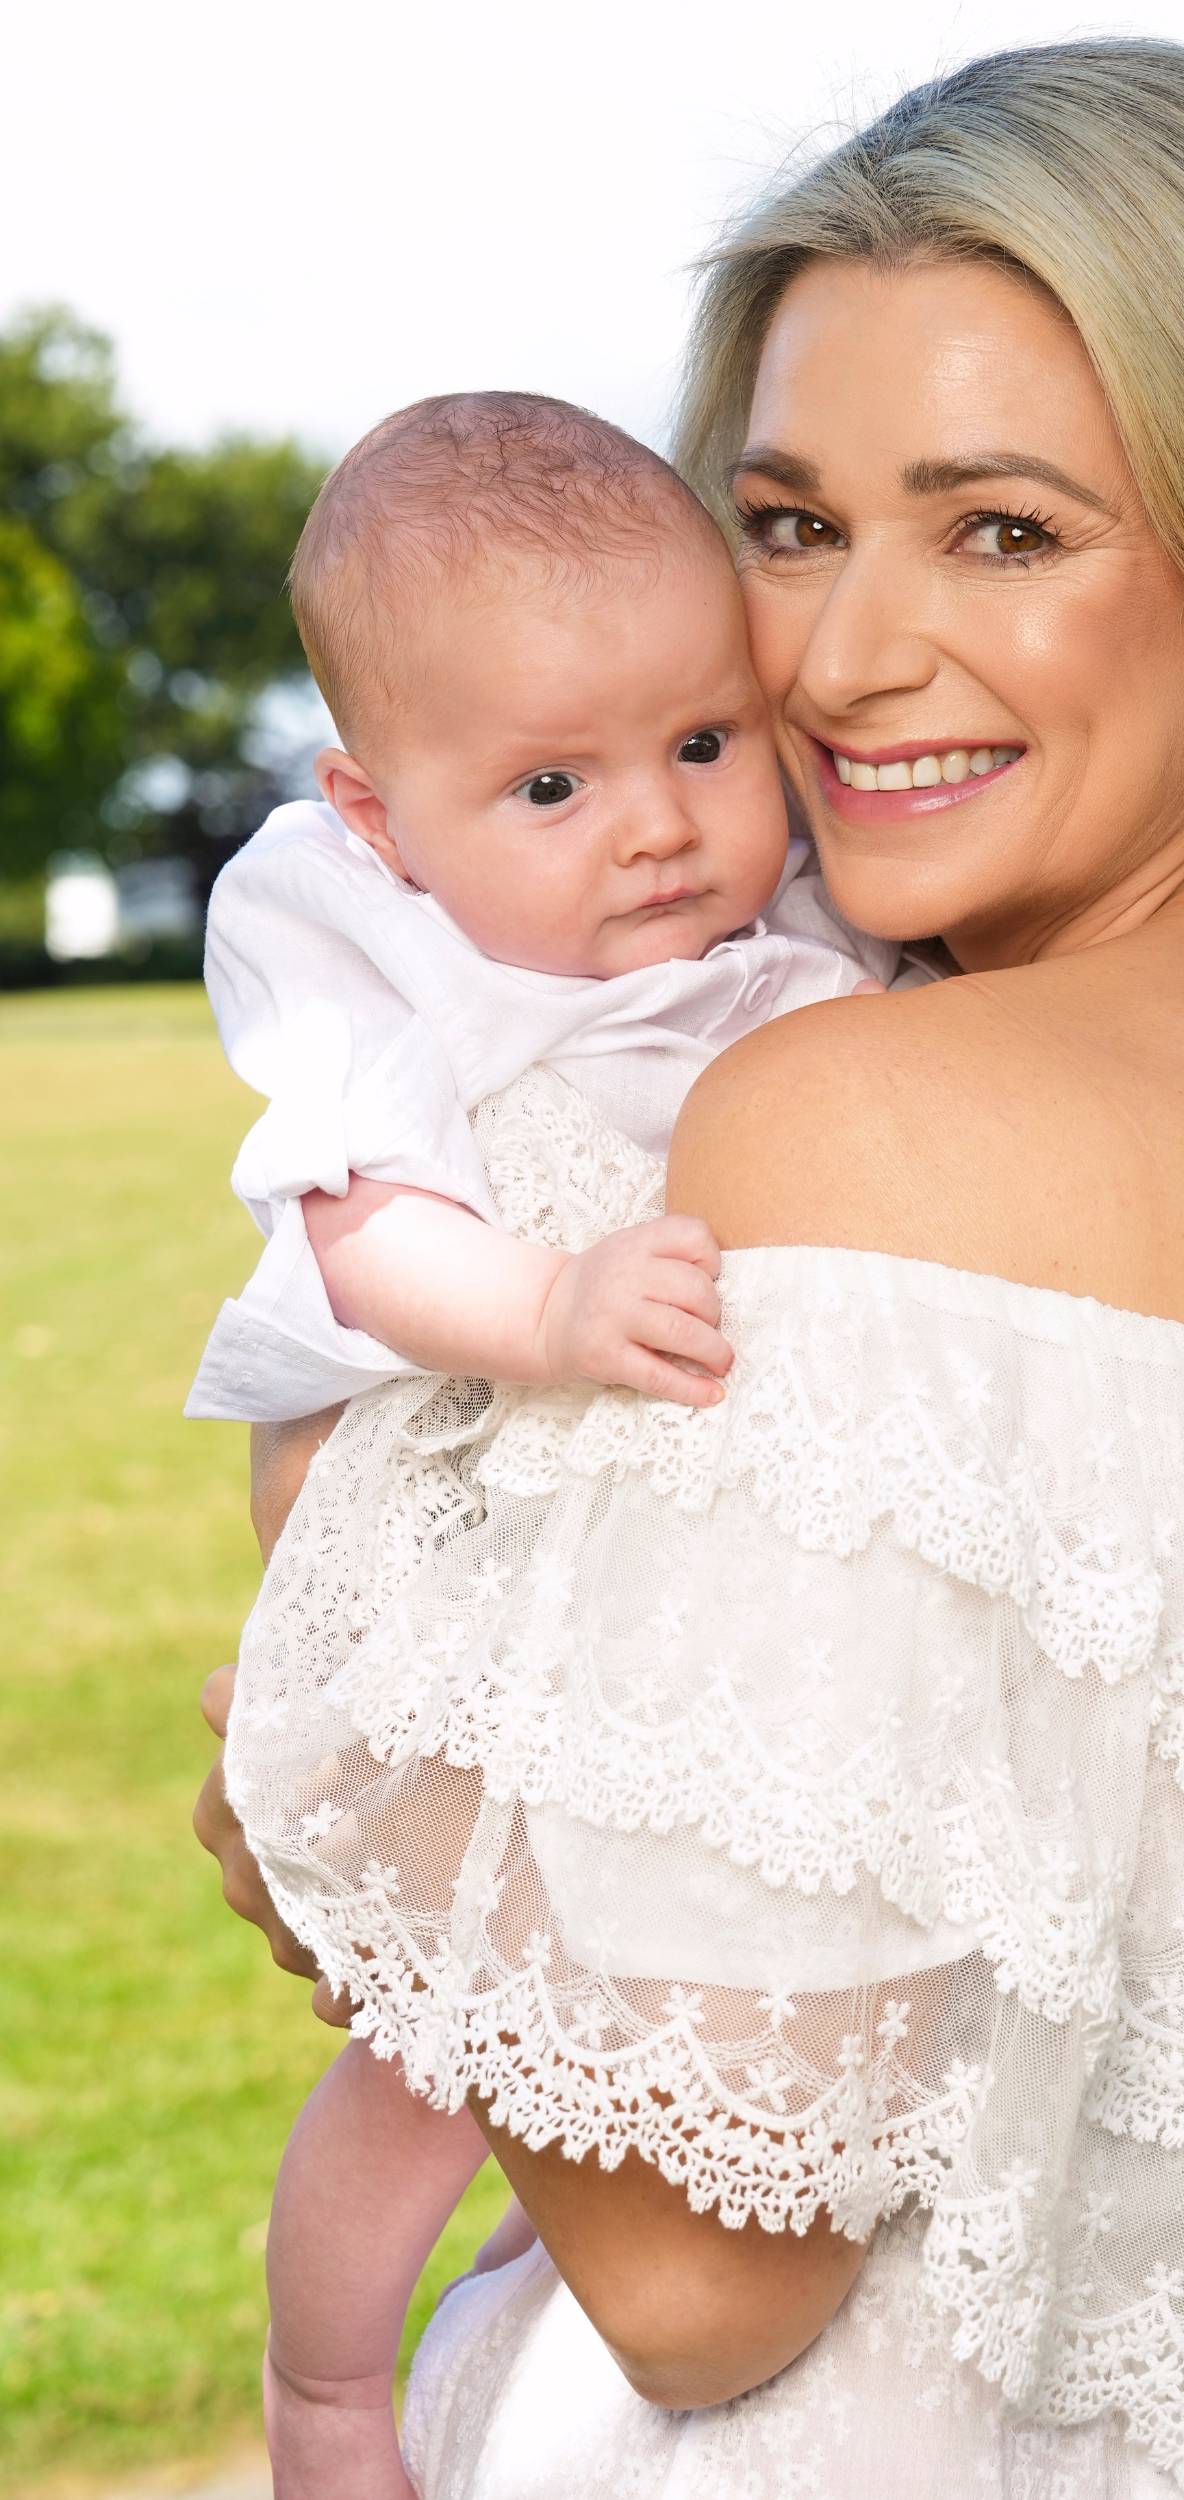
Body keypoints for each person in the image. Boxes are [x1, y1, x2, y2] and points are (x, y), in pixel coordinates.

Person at [197, 39, 1184, 2499]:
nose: (834, 660)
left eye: (1002, 532)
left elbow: (708, 2273)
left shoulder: (866, 1120)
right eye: (791, 525)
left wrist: (355, 1755)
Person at [188, 391, 902, 2497]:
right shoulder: (391, 961)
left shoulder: (797, 939)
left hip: (675, 1622)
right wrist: (549, 1311)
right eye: (552, 786)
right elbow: (359, 1231)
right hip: (476, 1565)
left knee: (640, 2034)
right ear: (382, 815)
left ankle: (542, 2258)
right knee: (438, 2054)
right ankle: (328, 2388)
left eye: (703, 742)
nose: (657, 825)